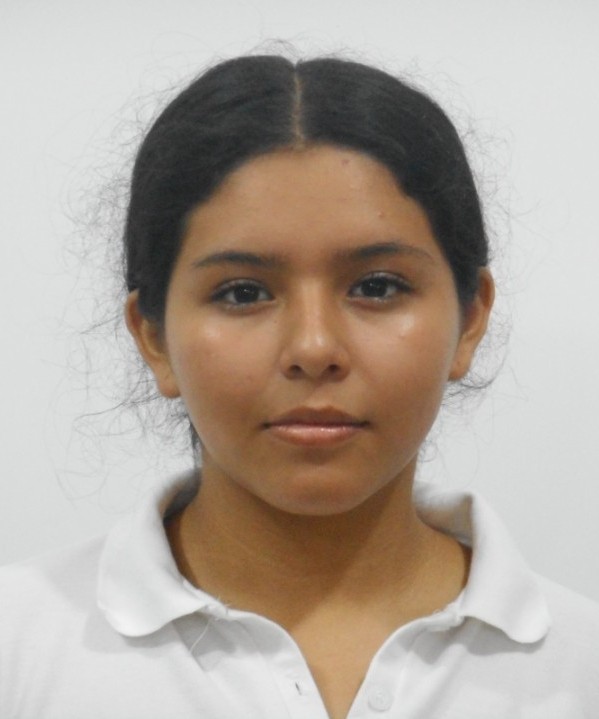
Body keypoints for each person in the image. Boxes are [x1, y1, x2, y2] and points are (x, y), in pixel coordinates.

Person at [1, 54, 598, 719]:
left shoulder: (579, 669)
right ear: (153, 336)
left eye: (377, 287)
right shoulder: (19, 648)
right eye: (242, 293)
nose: (314, 349)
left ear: (470, 320)